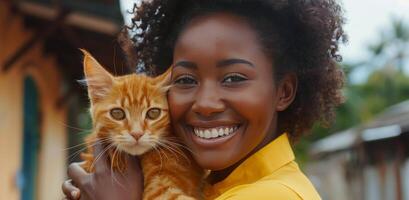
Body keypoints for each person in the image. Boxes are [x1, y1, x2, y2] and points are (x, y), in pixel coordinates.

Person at [62, 0, 345, 199]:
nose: (206, 104)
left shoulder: (272, 195)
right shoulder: (214, 184)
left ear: (283, 91)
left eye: (234, 78)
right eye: (185, 80)